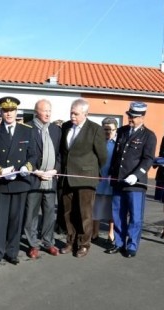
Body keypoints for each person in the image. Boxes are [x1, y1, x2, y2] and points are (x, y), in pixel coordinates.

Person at [0, 96, 37, 266]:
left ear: (16, 112)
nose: (8, 114)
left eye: (11, 111)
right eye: (5, 111)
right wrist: (0, 170)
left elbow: (33, 155)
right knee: (0, 221)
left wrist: (27, 167)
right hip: (2, 182)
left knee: (16, 220)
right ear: (1, 112)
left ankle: (12, 252)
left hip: (20, 182)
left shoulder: (27, 130)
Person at [107, 101, 157, 258]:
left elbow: (148, 159)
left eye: (134, 117)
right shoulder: (121, 131)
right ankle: (119, 242)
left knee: (135, 216)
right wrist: (111, 173)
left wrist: (136, 175)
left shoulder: (149, 136)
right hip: (118, 181)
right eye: (129, 115)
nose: (130, 119)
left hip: (136, 183)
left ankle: (132, 245)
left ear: (142, 117)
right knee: (117, 214)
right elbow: (116, 155)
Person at [58, 98, 107, 258]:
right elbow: (63, 151)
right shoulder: (65, 126)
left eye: (76, 114)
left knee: (84, 213)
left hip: (86, 177)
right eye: (71, 113)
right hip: (67, 177)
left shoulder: (95, 129)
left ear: (85, 114)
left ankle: (84, 244)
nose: (72, 116)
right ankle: (70, 241)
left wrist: (92, 171)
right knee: (67, 212)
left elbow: (102, 156)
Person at [23, 99, 61, 258]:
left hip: (51, 179)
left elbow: (59, 154)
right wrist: (35, 171)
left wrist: (55, 170)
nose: (47, 114)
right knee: (31, 213)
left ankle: (48, 242)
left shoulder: (55, 130)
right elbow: (24, 154)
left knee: (49, 212)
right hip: (34, 178)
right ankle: (33, 244)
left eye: (49, 111)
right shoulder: (27, 129)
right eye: (44, 111)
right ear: (36, 112)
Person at [92, 117, 117, 246]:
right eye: (105, 129)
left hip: (112, 180)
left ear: (115, 129)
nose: (108, 132)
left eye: (111, 130)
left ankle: (111, 233)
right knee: (96, 207)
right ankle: (94, 231)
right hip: (98, 179)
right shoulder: (98, 141)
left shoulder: (119, 144)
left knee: (112, 209)